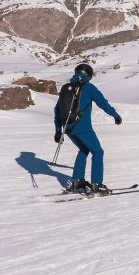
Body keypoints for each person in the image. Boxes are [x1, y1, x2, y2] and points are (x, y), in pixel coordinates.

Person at [54, 63, 123, 195]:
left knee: (84, 149)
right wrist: (115, 115)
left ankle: (77, 182)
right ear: (88, 75)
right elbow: (103, 103)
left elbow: (57, 110)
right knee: (98, 152)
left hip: (68, 129)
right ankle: (97, 184)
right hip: (82, 128)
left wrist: (58, 130)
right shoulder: (88, 87)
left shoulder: (66, 87)